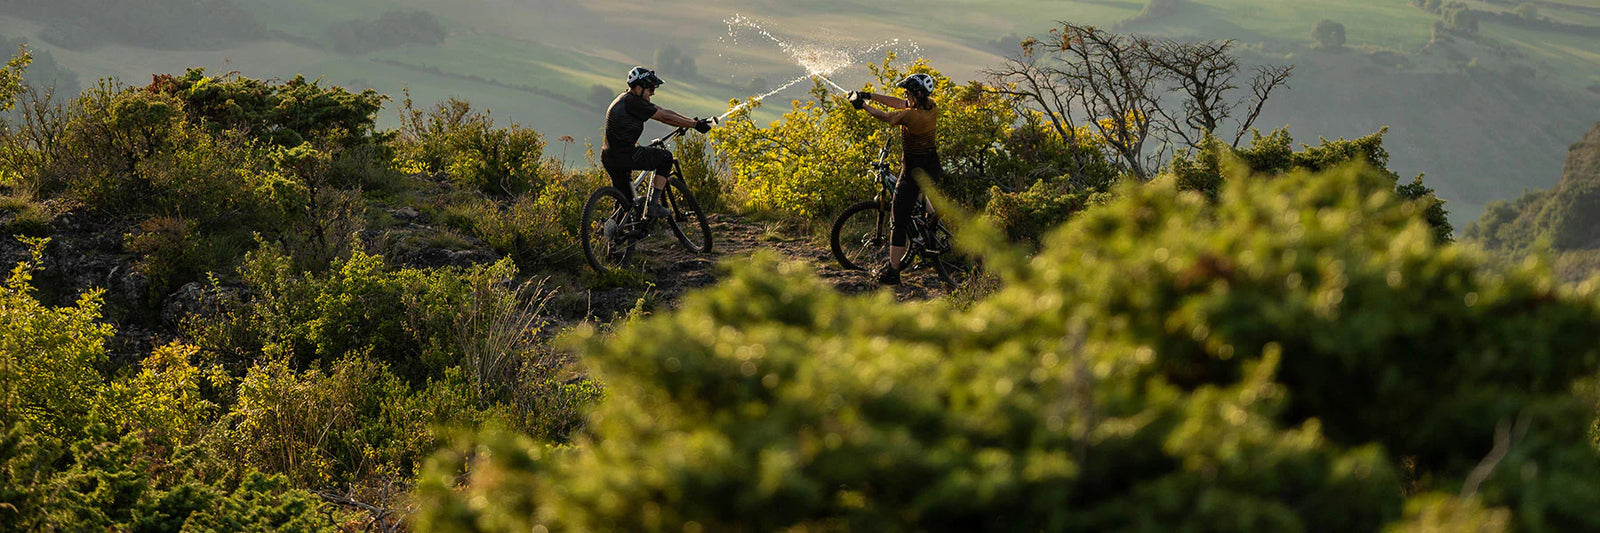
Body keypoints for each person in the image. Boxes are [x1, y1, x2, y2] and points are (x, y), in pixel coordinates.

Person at [846, 73, 940, 285]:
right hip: (932, 167)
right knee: (919, 198)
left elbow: (887, 116)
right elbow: (898, 103)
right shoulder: (930, 106)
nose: (905, 95)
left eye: (908, 92)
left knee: (898, 222)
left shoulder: (910, 116)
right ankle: (932, 222)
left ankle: (893, 271)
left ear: (916, 94)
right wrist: (868, 95)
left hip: (912, 171)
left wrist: (862, 106)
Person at [602, 66, 714, 219]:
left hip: (609, 156)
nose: (653, 92)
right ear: (638, 87)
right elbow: (663, 116)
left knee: (625, 203)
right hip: (625, 155)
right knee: (665, 158)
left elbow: (664, 111)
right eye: (650, 88)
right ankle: (653, 206)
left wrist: (690, 122)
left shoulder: (625, 99)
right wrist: (694, 126)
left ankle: (616, 232)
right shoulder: (634, 102)